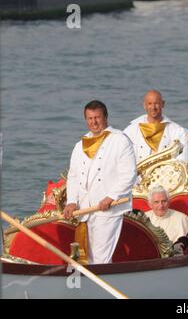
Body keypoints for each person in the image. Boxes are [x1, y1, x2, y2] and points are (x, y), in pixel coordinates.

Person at [63, 100, 136, 264]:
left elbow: (129, 174)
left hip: (107, 209)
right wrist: (72, 202)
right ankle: (90, 286)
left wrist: (111, 197)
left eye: (97, 117)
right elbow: (73, 176)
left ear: (106, 117)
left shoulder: (120, 140)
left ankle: (101, 284)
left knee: (101, 256)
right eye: (90, 118)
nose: (94, 122)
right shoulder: (79, 145)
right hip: (84, 209)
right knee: (86, 256)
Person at [124, 90, 188, 163]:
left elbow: (182, 160)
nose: (153, 107)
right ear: (144, 105)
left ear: (163, 104)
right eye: (149, 103)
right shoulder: (131, 130)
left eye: (156, 103)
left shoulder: (177, 131)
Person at [145, 185, 188, 254]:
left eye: (164, 201)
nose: (161, 206)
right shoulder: (143, 218)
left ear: (169, 202)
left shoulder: (181, 218)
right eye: (156, 202)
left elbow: (187, 246)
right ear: (150, 204)